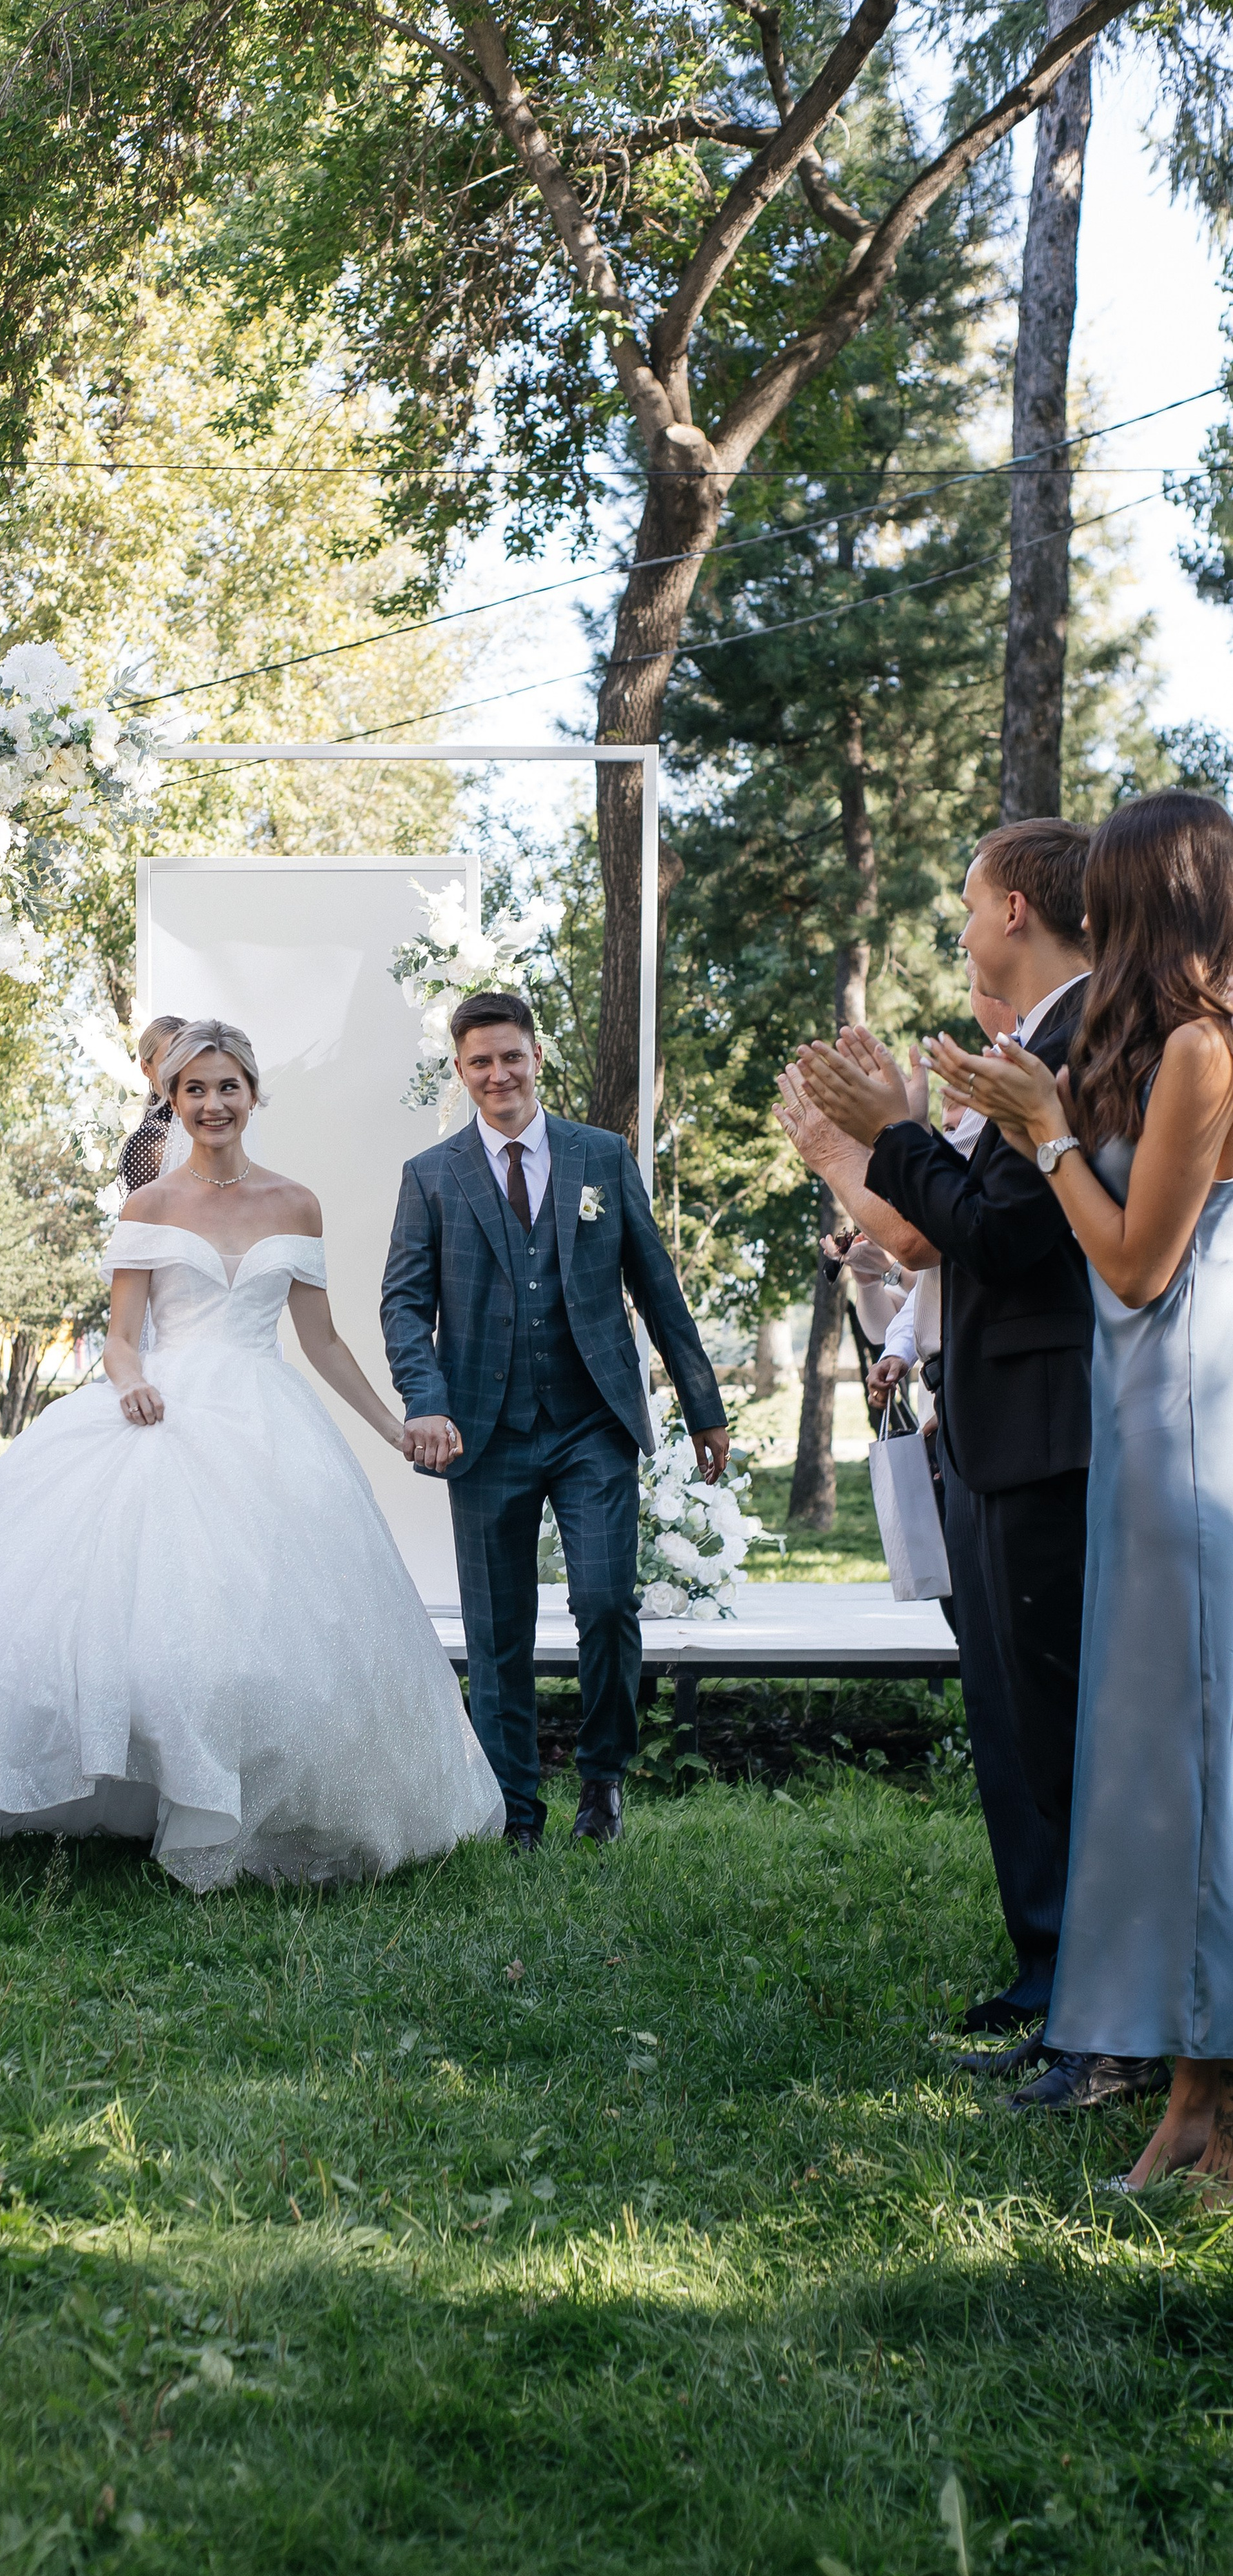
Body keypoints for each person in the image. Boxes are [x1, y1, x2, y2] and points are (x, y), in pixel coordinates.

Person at [0, 1019, 504, 1889]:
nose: (212, 1105)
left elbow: (320, 1341)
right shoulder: (149, 1204)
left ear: (252, 1094)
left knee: (268, 1627)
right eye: (193, 1090)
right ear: (172, 1102)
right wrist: (131, 1381)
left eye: (227, 1087)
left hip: (267, 1422)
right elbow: (121, 1338)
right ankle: (151, 1788)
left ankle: (254, 1804)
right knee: (150, 1619)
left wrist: (391, 1422)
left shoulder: (297, 1203)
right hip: (164, 1414)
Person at [794, 821, 1158, 2112]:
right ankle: (1061, 1996)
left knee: (1062, 1735)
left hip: (1052, 1424)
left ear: (1014, 907)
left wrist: (891, 1136)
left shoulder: (1081, 1047)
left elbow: (1006, 1239)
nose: (957, 930)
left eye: (963, 907)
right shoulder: (1048, 1044)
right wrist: (881, 1144)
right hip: (1006, 1420)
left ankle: (1103, 2026)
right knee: (1019, 1724)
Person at [944, 791, 1233, 2185]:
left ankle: (1195, 2102)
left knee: (1187, 1764)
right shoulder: (1165, 1044)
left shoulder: (1200, 1049)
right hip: (1140, 1424)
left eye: (1110, 894)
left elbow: (1133, 1266)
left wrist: (1043, 1134)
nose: (1091, 921)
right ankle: (1188, 2098)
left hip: (1187, 1431)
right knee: (1153, 1769)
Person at [380, 991, 728, 1852]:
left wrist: (701, 1407)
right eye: (479, 1062)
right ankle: (516, 1810)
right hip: (483, 1431)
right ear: (461, 1073)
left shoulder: (600, 1157)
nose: (498, 1074)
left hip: (589, 1424)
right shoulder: (432, 1175)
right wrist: (426, 1402)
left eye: (511, 1056)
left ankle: (603, 1780)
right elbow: (403, 1304)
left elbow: (656, 1287)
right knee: (498, 1630)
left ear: (536, 1057)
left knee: (607, 1602)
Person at [116, 1014, 188, 1194]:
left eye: (187, 1059)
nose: (180, 1071)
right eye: (169, 1062)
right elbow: (141, 1220)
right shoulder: (147, 1142)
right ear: (146, 1069)